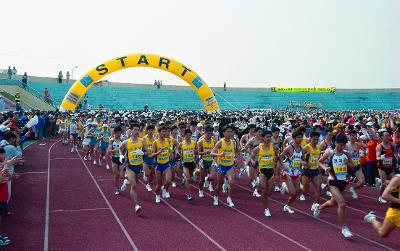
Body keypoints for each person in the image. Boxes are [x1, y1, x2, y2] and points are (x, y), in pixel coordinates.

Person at [314, 135, 355, 238]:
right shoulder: (329, 153)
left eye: (344, 145)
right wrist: (325, 168)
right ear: (336, 143)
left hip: (343, 182)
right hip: (333, 182)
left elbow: (353, 166)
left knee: (332, 203)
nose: (342, 147)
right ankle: (344, 229)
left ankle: (318, 207)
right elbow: (319, 161)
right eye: (341, 145)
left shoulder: (347, 154)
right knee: (342, 203)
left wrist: (348, 164)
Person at [251, 130, 279, 217]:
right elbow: (252, 156)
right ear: (263, 138)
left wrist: (277, 164)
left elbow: (278, 157)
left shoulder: (274, 147)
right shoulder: (258, 148)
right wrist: (253, 161)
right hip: (262, 171)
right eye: (267, 137)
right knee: (264, 189)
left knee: (269, 191)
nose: (269, 138)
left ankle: (264, 198)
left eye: (270, 137)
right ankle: (266, 208)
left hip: (271, 171)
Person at [119, 123, 144, 213]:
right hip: (130, 166)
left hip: (139, 165)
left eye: (138, 129)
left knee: (135, 183)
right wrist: (121, 155)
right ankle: (137, 205)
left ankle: (126, 182)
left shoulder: (142, 141)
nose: (136, 131)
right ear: (131, 130)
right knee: (134, 186)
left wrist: (143, 153)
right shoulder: (126, 142)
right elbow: (120, 148)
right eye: (135, 129)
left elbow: (146, 151)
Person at [211, 124, 237, 207]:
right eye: (228, 132)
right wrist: (220, 155)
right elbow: (212, 153)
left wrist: (234, 159)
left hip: (230, 165)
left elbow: (233, 153)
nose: (230, 133)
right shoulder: (220, 142)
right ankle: (215, 196)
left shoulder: (233, 142)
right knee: (220, 184)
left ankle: (229, 198)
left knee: (232, 182)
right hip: (221, 165)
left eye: (231, 132)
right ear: (224, 133)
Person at [280, 130, 303, 214]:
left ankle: (287, 206)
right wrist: (283, 166)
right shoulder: (289, 148)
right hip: (288, 172)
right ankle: (284, 185)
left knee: (296, 193)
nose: (300, 139)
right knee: (292, 192)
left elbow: (300, 160)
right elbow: (280, 157)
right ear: (294, 138)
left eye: (301, 137)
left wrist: (304, 165)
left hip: (297, 172)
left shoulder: (301, 148)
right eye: (298, 137)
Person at [151, 126, 172, 203]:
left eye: (166, 131)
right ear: (159, 133)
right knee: (159, 184)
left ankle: (165, 189)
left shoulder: (168, 141)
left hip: (166, 163)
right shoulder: (155, 142)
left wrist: (170, 153)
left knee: (169, 181)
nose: (165, 133)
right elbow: (152, 154)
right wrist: (159, 152)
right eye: (163, 132)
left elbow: (169, 150)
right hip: (158, 165)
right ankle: (157, 195)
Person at [301, 131, 322, 209]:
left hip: (315, 170)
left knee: (318, 188)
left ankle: (314, 204)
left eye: (317, 139)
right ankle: (301, 192)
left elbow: (318, 159)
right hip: (306, 171)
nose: (316, 141)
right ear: (310, 139)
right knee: (305, 189)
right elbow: (299, 158)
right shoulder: (306, 148)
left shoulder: (318, 147)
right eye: (314, 139)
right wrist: (304, 164)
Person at [376, 131, 398, 203]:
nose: (388, 137)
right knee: (383, 184)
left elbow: (395, 154)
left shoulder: (392, 145)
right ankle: (381, 196)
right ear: (382, 137)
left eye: (388, 135)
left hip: (389, 166)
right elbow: (377, 157)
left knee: (395, 183)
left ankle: (391, 196)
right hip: (382, 167)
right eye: (386, 135)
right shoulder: (379, 147)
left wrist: (398, 162)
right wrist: (380, 157)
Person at [346, 130, 366, 199]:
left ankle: (353, 189)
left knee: (362, 182)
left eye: (353, 136)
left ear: (356, 137)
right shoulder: (346, 145)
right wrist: (348, 155)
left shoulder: (358, 144)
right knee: (343, 183)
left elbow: (365, 148)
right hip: (348, 167)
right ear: (348, 136)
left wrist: (360, 141)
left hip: (357, 165)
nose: (352, 137)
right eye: (350, 136)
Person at [178, 129, 198, 201]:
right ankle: (189, 194)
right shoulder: (181, 143)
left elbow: (197, 152)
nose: (188, 137)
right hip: (185, 163)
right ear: (184, 135)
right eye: (187, 135)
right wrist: (180, 155)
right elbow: (178, 150)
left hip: (192, 163)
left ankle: (183, 180)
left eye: (190, 135)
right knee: (188, 178)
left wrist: (195, 157)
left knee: (189, 177)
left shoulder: (194, 143)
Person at [198, 125, 216, 197]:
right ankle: (200, 190)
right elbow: (198, 153)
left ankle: (207, 179)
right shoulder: (200, 142)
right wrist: (205, 152)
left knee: (212, 177)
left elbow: (215, 151)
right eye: (208, 133)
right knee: (201, 179)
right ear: (204, 133)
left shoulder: (214, 141)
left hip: (211, 160)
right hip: (203, 161)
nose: (210, 135)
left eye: (211, 133)